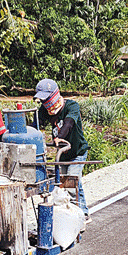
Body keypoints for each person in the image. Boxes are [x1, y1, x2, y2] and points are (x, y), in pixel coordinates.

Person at [34, 79, 90, 217]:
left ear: (54, 95)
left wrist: (59, 137)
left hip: (77, 151)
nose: (45, 104)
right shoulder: (44, 110)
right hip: (63, 153)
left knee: (72, 182)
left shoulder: (71, 106)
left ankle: (81, 214)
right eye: (42, 101)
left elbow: (69, 123)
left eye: (46, 99)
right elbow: (36, 125)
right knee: (64, 183)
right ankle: (71, 212)